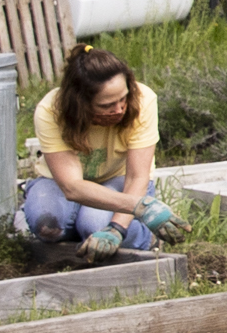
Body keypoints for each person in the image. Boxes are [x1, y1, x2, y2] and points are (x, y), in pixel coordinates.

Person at [21, 44, 177, 256]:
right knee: (47, 226)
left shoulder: (143, 100)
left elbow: (137, 177)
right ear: (80, 102)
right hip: (60, 183)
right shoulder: (50, 110)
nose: (119, 109)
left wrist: (117, 228)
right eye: (106, 105)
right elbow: (72, 187)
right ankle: (76, 237)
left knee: (94, 225)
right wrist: (139, 207)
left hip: (119, 180)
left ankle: (145, 238)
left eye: (123, 98)